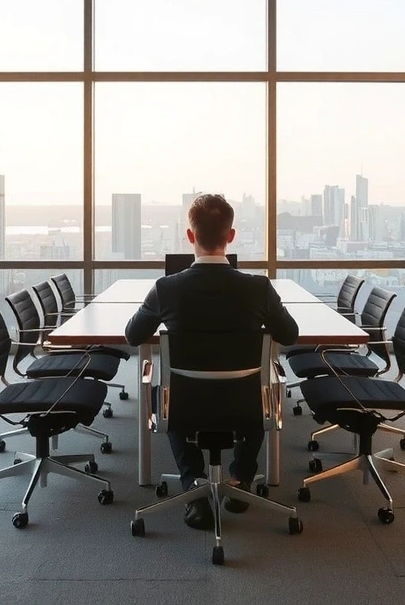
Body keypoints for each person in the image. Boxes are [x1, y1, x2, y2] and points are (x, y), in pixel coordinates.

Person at [124, 194, 298, 530]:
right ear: (230, 236)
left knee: (167, 389)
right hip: (246, 407)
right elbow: (288, 334)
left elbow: (133, 335)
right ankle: (241, 480)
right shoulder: (258, 288)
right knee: (260, 388)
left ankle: (193, 486)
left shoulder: (166, 288)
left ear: (189, 236)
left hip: (185, 409)